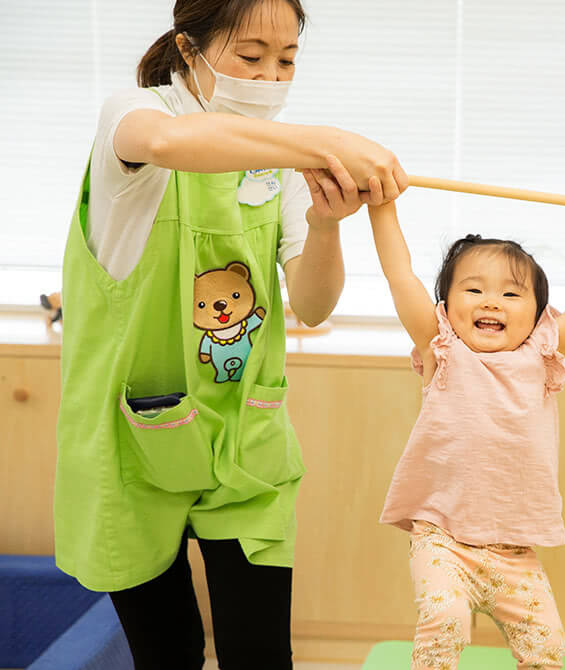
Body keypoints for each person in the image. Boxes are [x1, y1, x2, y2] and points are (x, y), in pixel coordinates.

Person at [54, 1, 407, 668]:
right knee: (169, 652)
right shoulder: (134, 113)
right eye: (251, 57)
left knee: (260, 652)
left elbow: (313, 304)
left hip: (244, 439)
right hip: (133, 441)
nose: (270, 79)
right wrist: (325, 140)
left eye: (287, 61)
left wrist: (326, 224)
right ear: (189, 49)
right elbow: (167, 144)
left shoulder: (281, 163)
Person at [367, 196, 565, 669]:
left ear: (538, 315)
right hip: (442, 538)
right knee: (445, 621)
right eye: (474, 290)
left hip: (513, 551)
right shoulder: (442, 349)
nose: (491, 301)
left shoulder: (542, 356)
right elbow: (400, 276)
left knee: (547, 646)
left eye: (512, 295)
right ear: (446, 306)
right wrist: (382, 208)